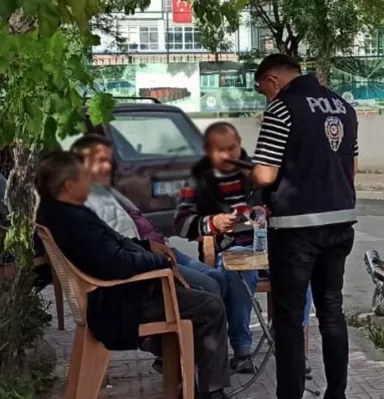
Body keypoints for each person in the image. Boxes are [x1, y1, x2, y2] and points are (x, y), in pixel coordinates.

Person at [35, 151, 230, 399]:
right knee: (209, 305)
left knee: (198, 294)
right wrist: (161, 262)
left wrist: (148, 247)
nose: (90, 182)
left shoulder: (59, 211)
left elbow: (112, 246)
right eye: (85, 177)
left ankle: (186, 379)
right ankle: (210, 392)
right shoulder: (72, 220)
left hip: (113, 296)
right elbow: (116, 263)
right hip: (118, 304)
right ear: (68, 185)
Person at [250, 54, 358, 399]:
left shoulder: (282, 108)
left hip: (297, 227)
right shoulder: (344, 107)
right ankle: (336, 393)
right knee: (332, 311)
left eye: (263, 91)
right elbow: (352, 168)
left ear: (271, 81)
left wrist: (249, 177)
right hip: (341, 221)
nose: (266, 98)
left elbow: (266, 173)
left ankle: (290, 395)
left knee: (289, 317)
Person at [174, 121, 313, 374]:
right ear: (208, 150)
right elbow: (181, 223)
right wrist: (211, 222)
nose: (229, 155)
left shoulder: (258, 173)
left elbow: (287, 204)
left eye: (233, 147)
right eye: (221, 150)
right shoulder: (198, 179)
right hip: (233, 250)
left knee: (301, 274)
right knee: (237, 277)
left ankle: (292, 350)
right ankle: (242, 351)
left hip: (271, 247)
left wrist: (268, 212)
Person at [69, 134, 226, 298]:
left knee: (218, 277)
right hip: (150, 263)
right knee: (211, 284)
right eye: (100, 161)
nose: (108, 166)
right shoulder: (84, 201)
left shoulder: (102, 190)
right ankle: (211, 321)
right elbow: (115, 251)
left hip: (158, 251)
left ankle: (232, 324)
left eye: (109, 161)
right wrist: (157, 260)